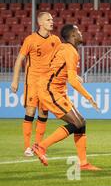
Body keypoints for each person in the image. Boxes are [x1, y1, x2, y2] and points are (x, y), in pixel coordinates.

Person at [32, 24, 100, 171]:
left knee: (81, 122)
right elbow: (72, 81)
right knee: (76, 123)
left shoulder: (63, 48)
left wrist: (73, 75)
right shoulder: (71, 51)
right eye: (79, 31)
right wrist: (89, 97)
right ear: (73, 35)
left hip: (55, 89)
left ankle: (83, 163)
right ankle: (41, 146)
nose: (82, 33)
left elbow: (58, 66)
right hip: (50, 90)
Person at [10, 12, 61, 157]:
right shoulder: (31, 39)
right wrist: (15, 80)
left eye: (52, 19)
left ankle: (37, 146)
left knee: (44, 113)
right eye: (48, 19)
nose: (52, 21)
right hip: (32, 81)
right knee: (30, 112)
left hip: (47, 83)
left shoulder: (55, 40)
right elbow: (20, 59)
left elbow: (62, 59)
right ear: (41, 23)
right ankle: (27, 147)